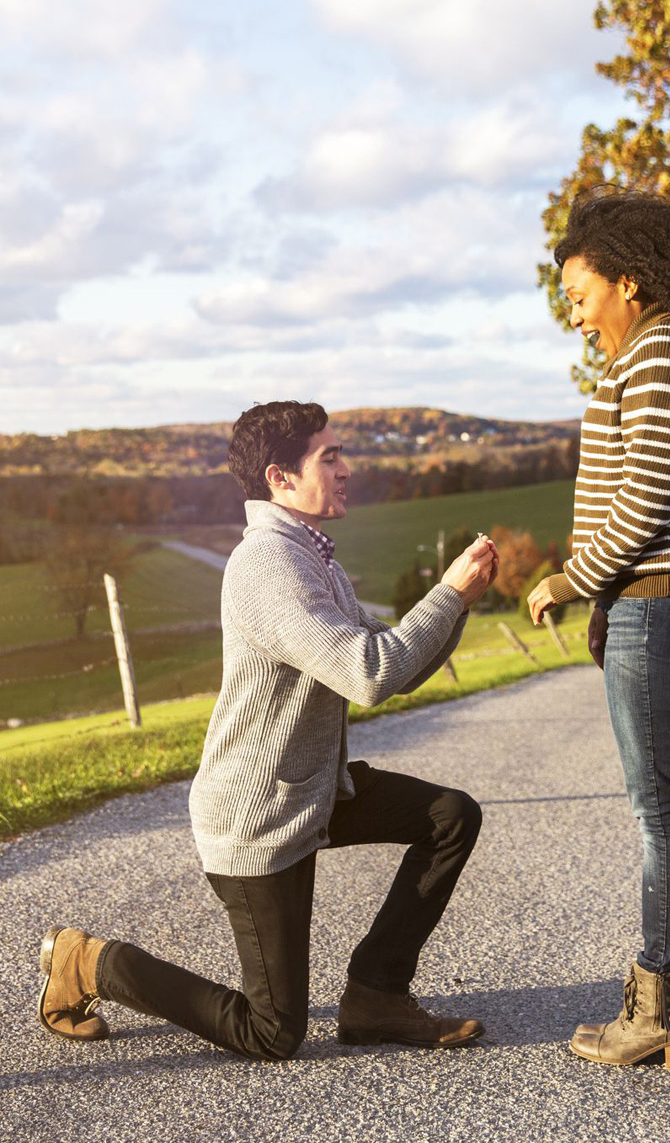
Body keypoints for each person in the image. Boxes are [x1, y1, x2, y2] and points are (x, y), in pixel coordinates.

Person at [38, 400, 499, 1060]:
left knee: (450, 816)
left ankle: (376, 995)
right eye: (330, 458)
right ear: (281, 478)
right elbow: (370, 675)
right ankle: (89, 963)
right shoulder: (269, 567)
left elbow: (395, 668)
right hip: (259, 812)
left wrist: (461, 602)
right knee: (271, 1033)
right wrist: (449, 595)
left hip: (311, 789)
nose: (346, 470)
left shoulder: (315, 560)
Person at [527, 190, 670, 1070]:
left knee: (660, 812)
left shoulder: (656, 356)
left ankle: (660, 1006)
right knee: (666, 807)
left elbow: (645, 497)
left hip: (660, 603)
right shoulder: (663, 352)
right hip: (660, 604)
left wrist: (572, 580)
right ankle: (667, 1003)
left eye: (580, 296)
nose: (574, 316)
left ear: (630, 281)